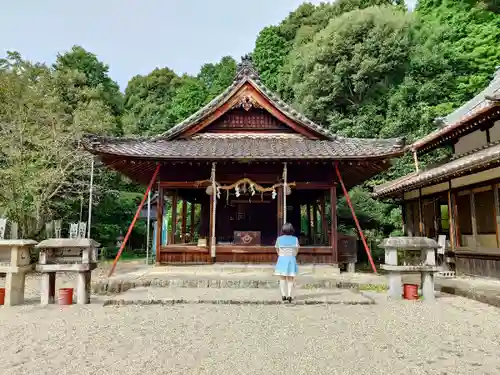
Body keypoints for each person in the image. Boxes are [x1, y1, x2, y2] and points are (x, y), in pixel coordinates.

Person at [274, 222, 299, 303]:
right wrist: (293, 255)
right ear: (292, 230)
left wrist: (280, 255)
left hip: (282, 259)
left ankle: (283, 295)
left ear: (283, 230)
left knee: (282, 277)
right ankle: (289, 295)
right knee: (290, 278)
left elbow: (277, 249)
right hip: (291, 259)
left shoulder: (279, 239)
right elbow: (297, 250)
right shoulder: (295, 239)